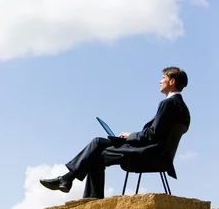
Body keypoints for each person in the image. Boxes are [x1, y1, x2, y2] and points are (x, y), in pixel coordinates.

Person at [39, 66, 190, 199]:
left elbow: (152, 135)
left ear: (172, 82)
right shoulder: (182, 107)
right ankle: (68, 179)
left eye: (163, 78)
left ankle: (85, 193)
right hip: (157, 153)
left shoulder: (168, 104)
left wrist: (130, 136)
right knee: (98, 143)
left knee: (95, 153)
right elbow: (157, 134)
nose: (160, 81)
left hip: (150, 154)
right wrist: (128, 137)